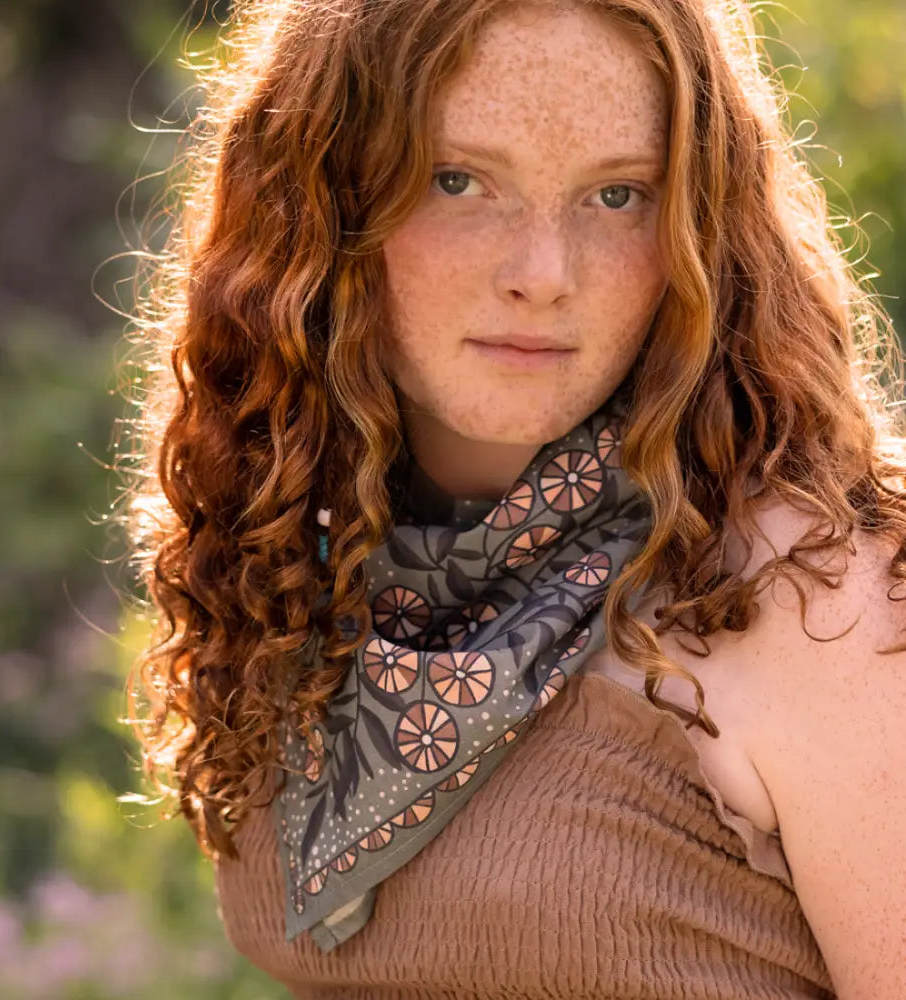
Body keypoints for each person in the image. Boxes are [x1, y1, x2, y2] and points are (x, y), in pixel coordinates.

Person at [125, 0, 906, 995]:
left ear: (700, 226)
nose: (543, 274)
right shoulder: (302, 548)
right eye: (458, 181)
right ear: (322, 203)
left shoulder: (822, 596)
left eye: (617, 195)